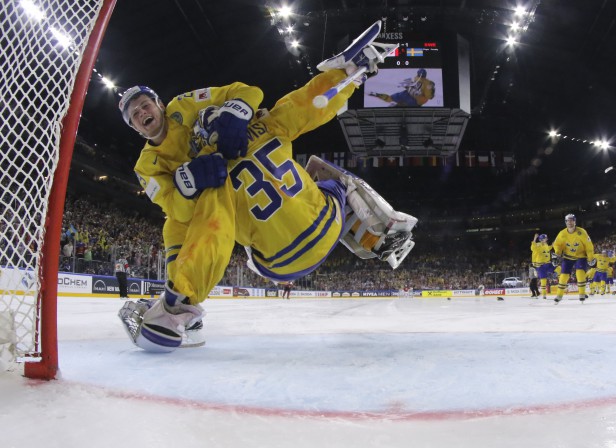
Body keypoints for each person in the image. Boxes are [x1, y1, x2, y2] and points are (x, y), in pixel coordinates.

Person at [118, 21, 417, 352]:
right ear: (133, 126)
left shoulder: (203, 169)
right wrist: (346, 77)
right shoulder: (264, 123)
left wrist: (191, 183)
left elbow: (196, 222)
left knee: (196, 223)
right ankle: (380, 230)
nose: (142, 112)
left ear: (159, 105)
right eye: (134, 114)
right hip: (326, 227)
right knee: (320, 171)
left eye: (145, 105)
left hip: (275, 264)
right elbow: (303, 104)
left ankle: (179, 306)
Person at [552, 214, 594, 304]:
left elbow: (589, 245)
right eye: (568, 221)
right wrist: (557, 253)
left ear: (575, 222)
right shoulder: (562, 233)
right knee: (563, 276)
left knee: (580, 274)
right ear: (565, 222)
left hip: (581, 256)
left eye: (572, 220)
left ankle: (582, 294)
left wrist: (590, 257)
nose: (570, 222)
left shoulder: (582, 232)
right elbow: (557, 245)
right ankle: (559, 295)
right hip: (567, 256)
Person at [368, 68, 435, 107]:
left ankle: (396, 105)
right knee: (391, 98)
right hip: (407, 94)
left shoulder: (427, 84)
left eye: (421, 76)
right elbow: (406, 84)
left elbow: (427, 97)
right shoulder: (416, 79)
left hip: (414, 101)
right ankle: (377, 95)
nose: (419, 77)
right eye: (418, 75)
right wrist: (408, 85)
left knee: (400, 104)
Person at [530, 233, 553, 298]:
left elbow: (548, 249)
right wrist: (534, 239)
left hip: (546, 263)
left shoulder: (545, 244)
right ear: (541, 239)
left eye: (546, 238)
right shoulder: (538, 245)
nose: (547, 239)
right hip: (539, 265)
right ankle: (541, 294)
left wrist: (552, 245)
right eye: (545, 238)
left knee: (558, 269)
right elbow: (532, 248)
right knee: (541, 280)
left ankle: (562, 283)